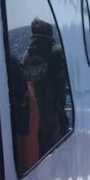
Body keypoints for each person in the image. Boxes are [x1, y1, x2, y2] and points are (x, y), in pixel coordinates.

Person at [22, 17, 69, 156]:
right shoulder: (58, 51)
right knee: (57, 156)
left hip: (32, 118)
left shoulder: (26, 56)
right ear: (50, 30)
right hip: (54, 115)